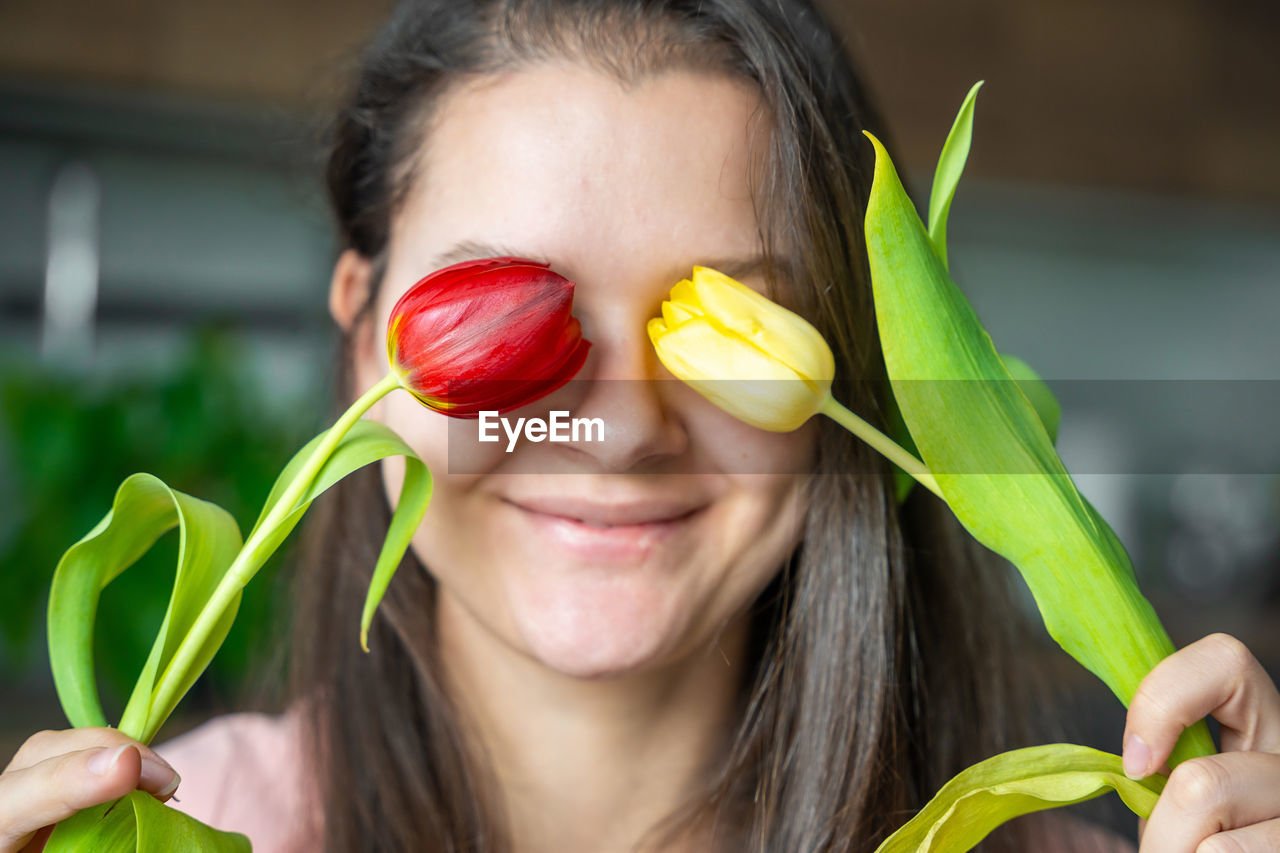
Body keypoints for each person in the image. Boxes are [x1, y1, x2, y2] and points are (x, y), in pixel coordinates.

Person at [4, 1, 1280, 851]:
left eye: (722, 324)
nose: (617, 431)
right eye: (517, 313)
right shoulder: (164, 827)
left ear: (863, 380)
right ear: (359, 338)